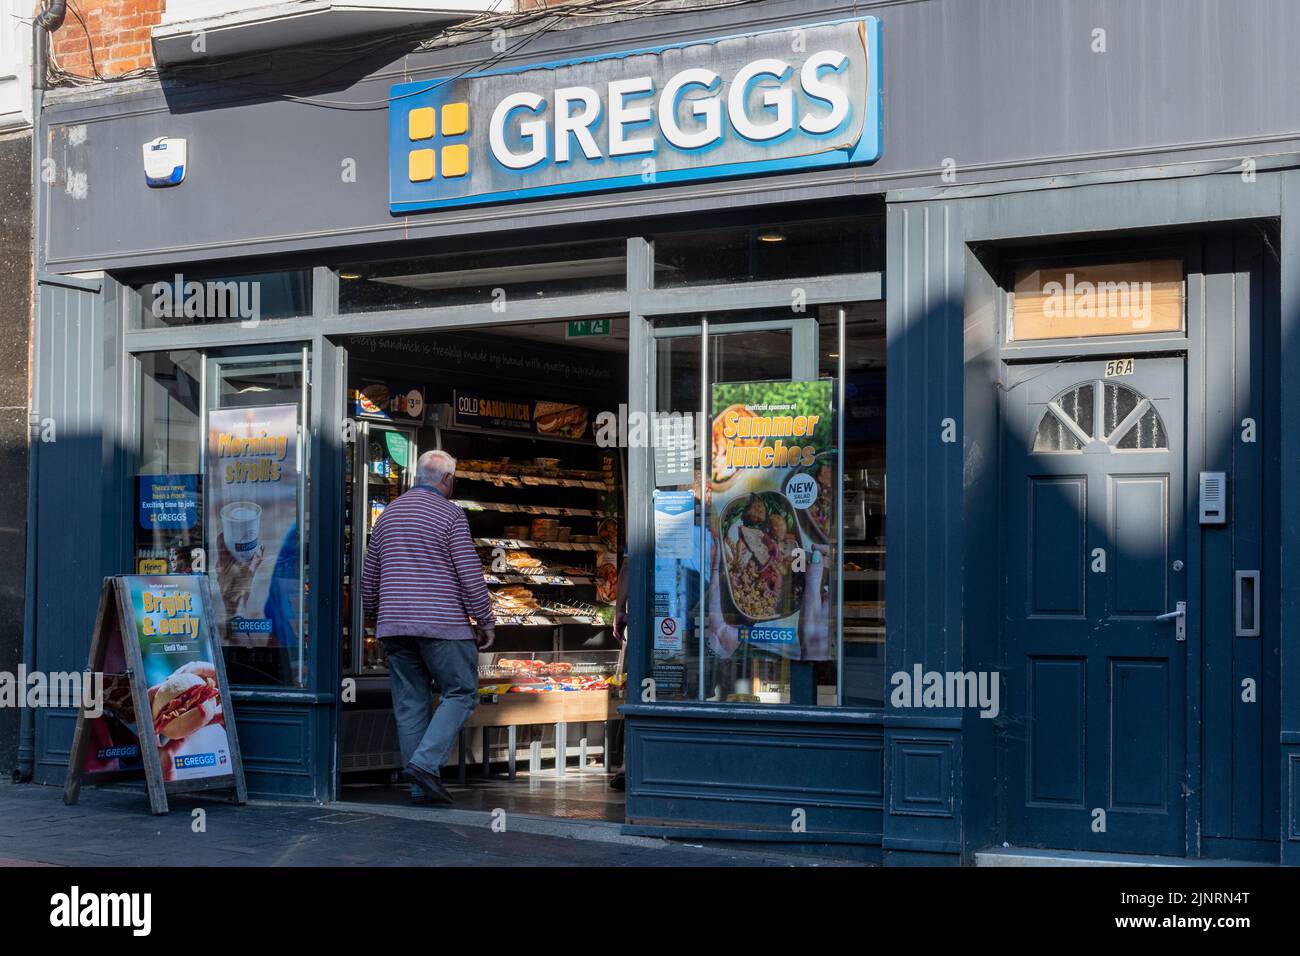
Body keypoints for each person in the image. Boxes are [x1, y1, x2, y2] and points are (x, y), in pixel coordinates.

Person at [361, 449, 495, 805]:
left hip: (395, 627)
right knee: (461, 692)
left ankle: (421, 786)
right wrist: (484, 619)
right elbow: (468, 574)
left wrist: (376, 618)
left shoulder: (387, 516)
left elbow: (369, 576)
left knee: (410, 703)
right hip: (442, 625)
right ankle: (424, 764)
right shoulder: (451, 515)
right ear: (447, 479)